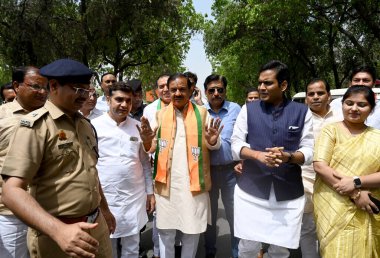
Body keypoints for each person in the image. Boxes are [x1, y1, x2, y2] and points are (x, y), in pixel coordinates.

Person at [1, 58, 115, 258]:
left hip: (96, 226)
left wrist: (104, 210)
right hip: (57, 236)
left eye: (87, 90)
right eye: (77, 89)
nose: (84, 96)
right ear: (53, 86)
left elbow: (90, 172)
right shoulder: (35, 126)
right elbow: (11, 191)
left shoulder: (85, 125)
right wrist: (58, 231)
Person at [231, 60, 313, 258]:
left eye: (267, 83)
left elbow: (309, 150)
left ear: (283, 86)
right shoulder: (248, 110)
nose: (261, 87)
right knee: (248, 246)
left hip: (288, 192)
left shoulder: (302, 112)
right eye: (260, 83)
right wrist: (257, 155)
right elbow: (235, 144)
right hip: (251, 190)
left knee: (280, 248)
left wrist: (289, 157)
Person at [138, 73, 222, 258]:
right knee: (166, 233)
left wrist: (213, 141)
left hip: (194, 185)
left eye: (182, 89)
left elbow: (213, 142)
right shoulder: (160, 115)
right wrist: (145, 141)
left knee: (191, 232)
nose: (177, 93)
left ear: (191, 90)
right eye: (173, 89)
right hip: (167, 185)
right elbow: (151, 148)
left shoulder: (202, 114)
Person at [313, 86, 380, 257]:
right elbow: (320, 166)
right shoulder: (331, 130)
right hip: (333, 203)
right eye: (349, 103)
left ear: (371, 110)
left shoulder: (377, 136)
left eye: (362, 105)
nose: (354, 109)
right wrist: (356, 193)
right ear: (341, 105)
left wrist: (356, 182)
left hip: (369, 203)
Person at [92, 82, 154, 258]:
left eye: (128, 100)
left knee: (132, 247)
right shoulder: (93, 126)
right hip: (105, 198)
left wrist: (150, 193)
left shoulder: (138, 127)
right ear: (108, 99)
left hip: (133, 198)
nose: (124, 105)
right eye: (119, 100)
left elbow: (144, 163)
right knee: (106, 247)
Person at [0, 66, 48, 258]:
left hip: (48, 208)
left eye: (46, 87)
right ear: (16, 86)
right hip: (11, 213)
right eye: (36, 86)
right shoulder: (2, 116)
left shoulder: (53, 116)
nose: (43, 92)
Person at [300, 78, 341, 258]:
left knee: (333, 227)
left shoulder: (341, 117)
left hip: (336, 180)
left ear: (329, 96)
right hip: (305, 179)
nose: (316, 97)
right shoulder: (300, 119)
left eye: (320, 93)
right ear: (306, 98)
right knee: (307, 227)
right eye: (311, 94)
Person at [203, 74, 241, 258]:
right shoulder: (199, 112)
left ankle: (237, 253)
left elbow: (244, 137)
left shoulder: (236, 109)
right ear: (205, 92)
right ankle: (210, 252)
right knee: (209, 217)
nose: (216, 93)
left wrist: (243, 161)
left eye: (220, 89)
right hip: (207, 172)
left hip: (231, 172)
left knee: (235, 216)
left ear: (225, 91)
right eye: (212, 90)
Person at [142, 73, 171, 258]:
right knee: (159, 213)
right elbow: (147, 145)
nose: (166, 89)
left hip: (181, 171)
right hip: (158, 169)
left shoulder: (188, 109)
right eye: (161, 86)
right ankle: (159, 251)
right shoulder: (150, 110)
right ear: (156, 90)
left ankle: (176, 248)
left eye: (169, 85)